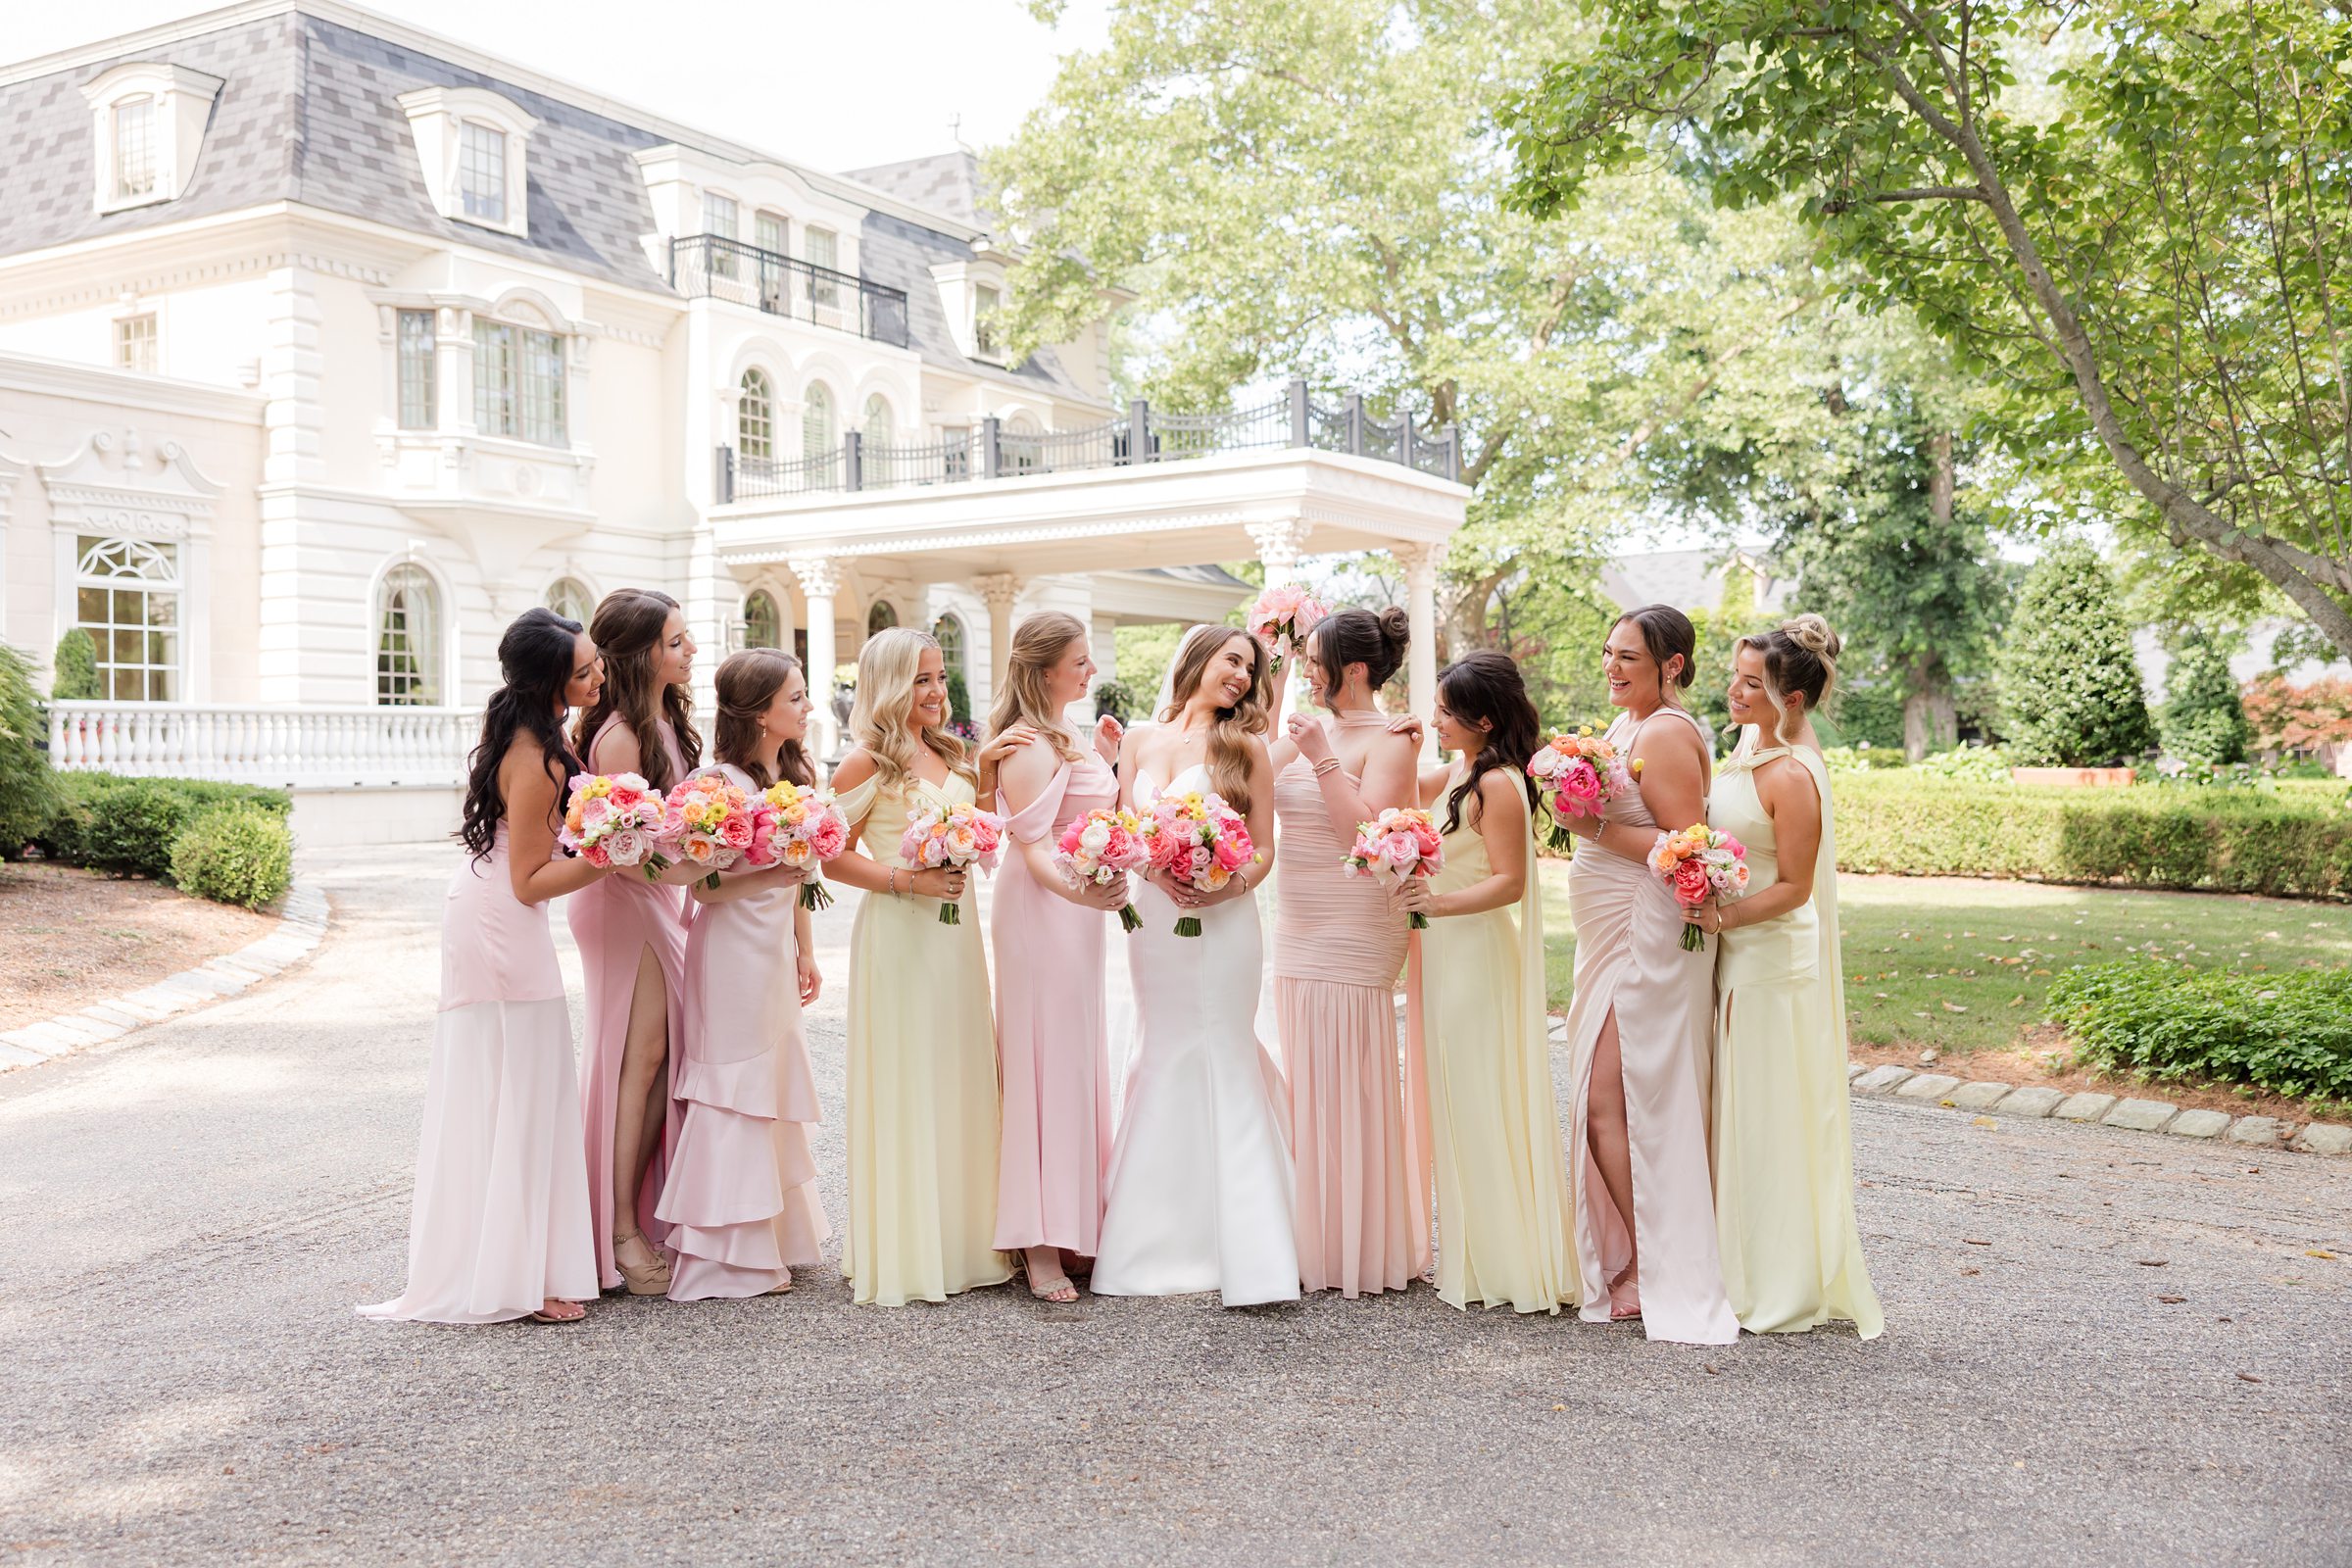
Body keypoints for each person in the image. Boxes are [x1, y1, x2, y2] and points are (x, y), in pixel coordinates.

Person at [361, 608, 613, 1325]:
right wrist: (612, 856)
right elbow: (528, 881)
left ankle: (524, 1264)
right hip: (500, 923)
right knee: (516, 1093)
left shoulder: (546, 735)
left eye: (596, 662)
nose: (599, 675)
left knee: (526, 1088)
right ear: (550, 681)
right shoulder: (533, 757)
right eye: (585, 670)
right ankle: (514, 1280)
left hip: (499, 915)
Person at [1091, 624, 1300, 1308]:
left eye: (1251, 669)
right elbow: (1124, 831)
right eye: (1232, 660)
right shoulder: (1138, 741)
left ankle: (1249, 1242)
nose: (1241, 676)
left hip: (1225, 917)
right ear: (1197, 659)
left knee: (1221, 1045)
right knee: (1163, 1046)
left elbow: (1263, 849)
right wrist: (1157, 869)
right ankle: (1154, 1237)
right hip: (1155, 919)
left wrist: (1225, 884)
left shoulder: (1247, 746)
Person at [1689, 616, 1884, 1338]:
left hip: (1772, 962)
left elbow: (1797, 887)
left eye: (1752, 684)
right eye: (1735, 677)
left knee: (1768, 1119)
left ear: (1791, 700)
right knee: (1742, 1113)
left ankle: (1778, 1283)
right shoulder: (1750, 746)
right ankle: (1734, 1260)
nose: (1734, 692)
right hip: (1741, 954)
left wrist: (1722, 918)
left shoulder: (1795, 774)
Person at [826, 627, 1027, 1306]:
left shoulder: (951, 752)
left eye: (940, 676)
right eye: (921, 680)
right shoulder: (865, 763)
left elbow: (980, 825)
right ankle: (911, 1251)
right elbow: (830, 855)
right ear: (889, 686)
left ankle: (967, 1241)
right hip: (900, 934)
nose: (938, 691)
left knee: (960, 1071)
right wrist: (907, 881)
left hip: (955, 937)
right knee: (910, 1076)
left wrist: (987, 775)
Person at [1556, 606, 1738, 1345]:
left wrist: (1589, 825)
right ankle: (1635, 1253)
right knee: (1610, 1099)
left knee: (1615, 1098)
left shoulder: (1664, 732)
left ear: (1672, 665)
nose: (1612, 666)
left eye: (1628, 656)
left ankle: (1652, 1261)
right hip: (1607, 933)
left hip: (1647, 934)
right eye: (1608, 652)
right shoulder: (1623, 727)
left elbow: (1683, 845)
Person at [1395, 652, 1576, 1314]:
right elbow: (1402, 792)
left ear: (1485, 720)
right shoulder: (1460, 770)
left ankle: (1505, 1260)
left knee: (1478, 1093)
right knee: (1453, 1095)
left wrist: (1437, 902)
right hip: (1444, 950)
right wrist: (1400, 740)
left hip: (1476, 950)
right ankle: (1473, 1251)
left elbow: (1511, 882)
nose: (1437, 719)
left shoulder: (1498, 783)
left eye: (1447, 712)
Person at [655, 648, 830, 1300]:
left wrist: (804, 949)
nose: (807, 707)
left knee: (770, 1087)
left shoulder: (791, 776)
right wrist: (771, 874)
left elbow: (800, 877)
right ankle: (725, 1256)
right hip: (729, 952)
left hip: (773, 952)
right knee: (735, 1091)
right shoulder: (717, 786)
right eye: (795, 697)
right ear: (760, 713)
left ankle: (772, 1238)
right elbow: (703, 887)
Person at [1267, 608, 1424, 1298]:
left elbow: (1364, 842)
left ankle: (1360, 1247)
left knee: (1350, 1078)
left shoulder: (1392, 739)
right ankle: (1312, 1234)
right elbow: (1244, 774)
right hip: (1298, 922)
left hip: (1355, 923)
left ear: (1352, 669)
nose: (1308, 669)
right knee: (1305, 1073)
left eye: (1315, 659)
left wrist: (1323, 760)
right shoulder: (1309, 727)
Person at [987, 612, 1128, 1303]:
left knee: (1072, 1062)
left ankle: (1072, 1227)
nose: (1091, 670)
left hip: (1076, 910)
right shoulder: (1028, 744)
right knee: (1042, 1064)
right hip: (1041, 909)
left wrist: (1108, 758)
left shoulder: (1066, 733)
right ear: (1045, 671)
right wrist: (1084, 894)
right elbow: (1034, 847)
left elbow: (1089, 816)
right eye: (1079, 661)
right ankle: (1037, 1242)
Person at [569, 588, 701, 1296]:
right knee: (640, 1058)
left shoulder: (666, 722)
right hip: (622, 901)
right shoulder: (620, 735)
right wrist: (694, 868)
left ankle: (637, 1216)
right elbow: (619, 850)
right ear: (641, 654)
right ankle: (618, 1230)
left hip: (658, 895)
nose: (690, 650)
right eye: (675, 642)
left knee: (662, 1057)